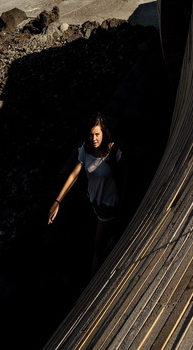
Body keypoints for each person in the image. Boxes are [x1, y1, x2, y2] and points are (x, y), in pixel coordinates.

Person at [48, 114, 122, 275]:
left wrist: (111, 159)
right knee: (94, 237)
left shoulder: (113, 152)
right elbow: (74, 175)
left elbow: (124, 176)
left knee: (97, 247)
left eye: (97, 134)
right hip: (93, 200)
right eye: (91, 135)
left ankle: (93, 279)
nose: (94, 138)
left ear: (104, 133)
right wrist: (57, 201)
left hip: (108, 205)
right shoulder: (86, 150)